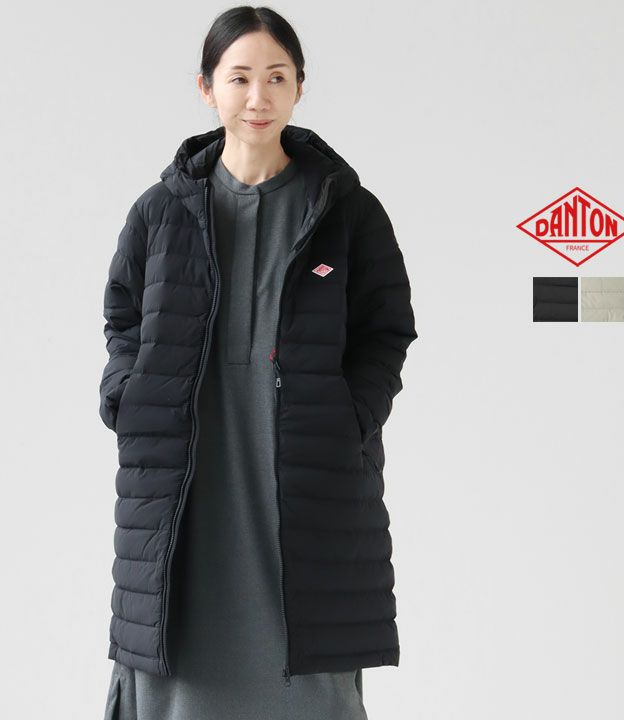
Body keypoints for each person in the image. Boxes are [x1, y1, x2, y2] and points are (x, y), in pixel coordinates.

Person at [101, 6, 418, 719]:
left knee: (308, 671)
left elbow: (386, 330)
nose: (258, 97)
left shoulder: (347, 211)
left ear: (300, 86)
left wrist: (350, 418)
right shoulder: (160, 212)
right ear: (206, 87)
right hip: (184, 479)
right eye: (239, 77)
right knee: (176, 663)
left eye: (276, 77)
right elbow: (122, 317)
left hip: (305, 478)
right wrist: (128, 397)